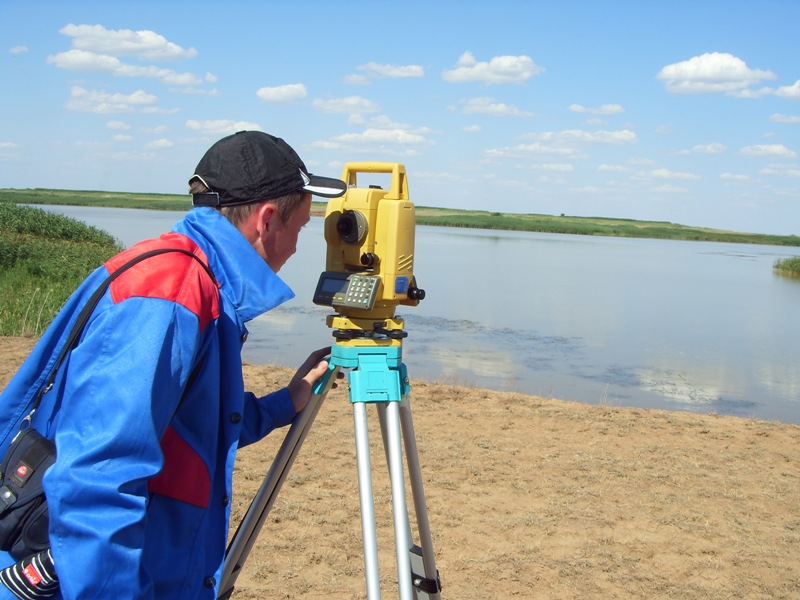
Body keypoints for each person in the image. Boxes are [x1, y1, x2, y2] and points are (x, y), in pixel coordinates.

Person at [0, 131, 347, 599]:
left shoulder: (196, 281)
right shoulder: (170, 292)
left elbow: (190, 427)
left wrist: (286, 402)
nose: (297, 248)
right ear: (267, 220)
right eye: (302, 227)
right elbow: (98, 478)